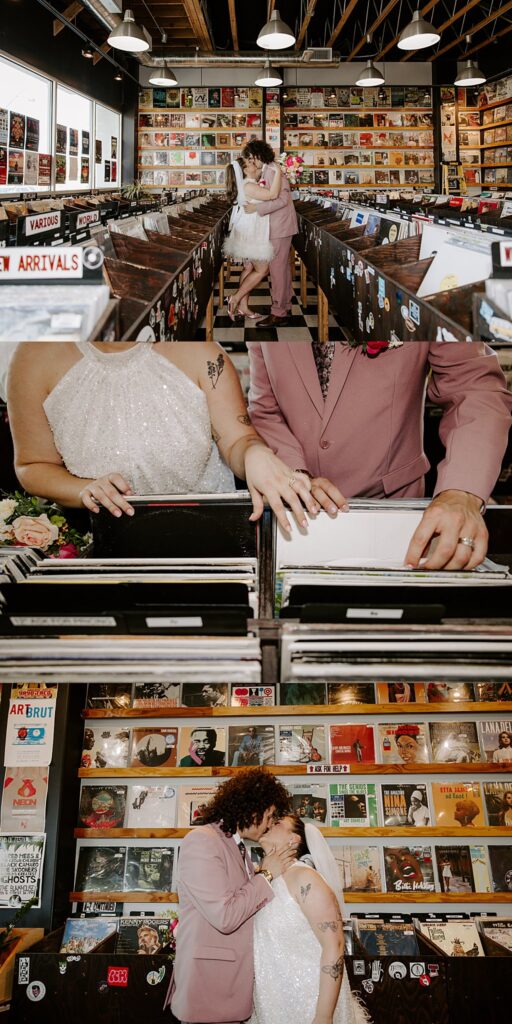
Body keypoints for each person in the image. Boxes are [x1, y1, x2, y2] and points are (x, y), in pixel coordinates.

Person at [247, 340, 512, 569]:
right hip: (298, 523)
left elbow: (474, 389)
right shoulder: (266, 296)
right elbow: (265, 408)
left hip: (397, 516)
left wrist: (461, 492)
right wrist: (295, 475)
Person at [7, 341, 317, 536]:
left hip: (205, 537)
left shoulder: (202, 352)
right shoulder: (34, 354)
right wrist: (82, 489)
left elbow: (238, 440)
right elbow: (33, 464)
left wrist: (255, 454)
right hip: (97, 539)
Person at [168, 768, 296, 1024]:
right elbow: (225, 916)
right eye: (269, 816)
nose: (270, 824)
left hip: (231, 988)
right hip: (210, 990)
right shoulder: (202, 841)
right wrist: (266, 875)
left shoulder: (235, 846)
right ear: (252, 808)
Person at [249, 814, 370, 1024]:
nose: (269, 823)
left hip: (310, 1002)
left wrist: (323, 1016)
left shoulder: (305, 878)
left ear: (294, 840)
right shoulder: (263, 880)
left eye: (277, 823)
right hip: (274, 1002)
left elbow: (335, 944)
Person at [241, 140, 298, 328]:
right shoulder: (269, 169)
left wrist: (257, 208)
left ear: (258, 155)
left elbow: (282, 199)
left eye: (251, 158)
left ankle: (279, 313)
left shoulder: (273, 170)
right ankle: (284, 306)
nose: (250, 162)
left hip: (280, 226)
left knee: (277, 270)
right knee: (281, 269)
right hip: (277, 226)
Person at [223, 158, 283, 320]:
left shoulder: (248, 184)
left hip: (248, 230)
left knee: (249, 268)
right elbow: (272, 194)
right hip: (252, 232)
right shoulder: (248, 186)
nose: (253, 163)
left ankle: (243, 307)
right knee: (262, 269)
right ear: (245, 170)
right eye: (249, 163)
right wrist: (278, 172)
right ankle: (234, 299)